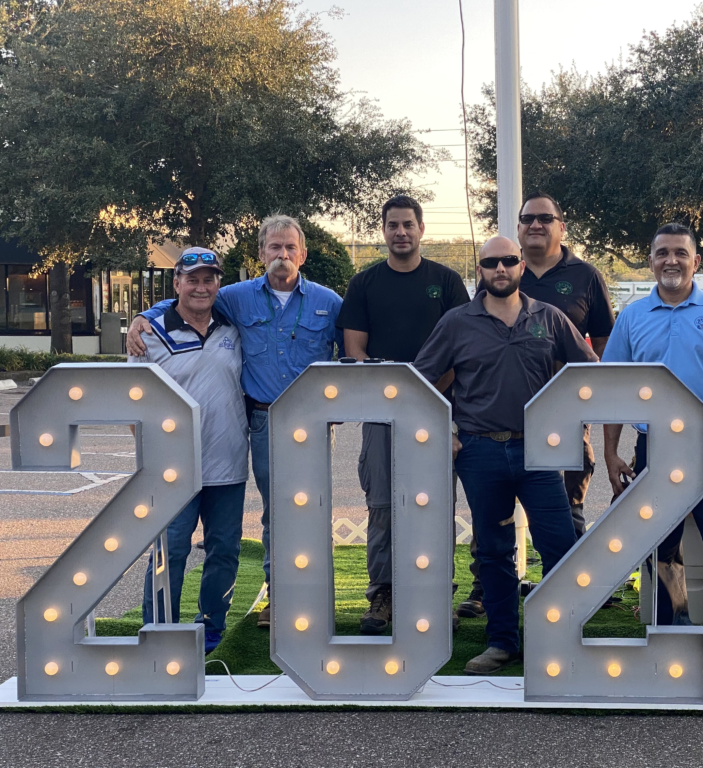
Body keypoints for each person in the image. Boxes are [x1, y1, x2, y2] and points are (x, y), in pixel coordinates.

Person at [126, 215, 343, 629]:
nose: (282, 255)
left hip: (307, 429)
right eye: (274, 247)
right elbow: (185, 302)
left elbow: (351, 353)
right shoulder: (235, 299)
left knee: (304, 514)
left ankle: (297, 603)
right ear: (260, 254)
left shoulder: (328, 302)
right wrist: (142, 316)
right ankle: (162, 631)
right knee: (181, 543)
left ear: (303, 253)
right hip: (256, 425)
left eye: (290, 248)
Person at [414, 235, 599, 675]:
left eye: (509, 261)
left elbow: (590, 370)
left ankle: (561, 639)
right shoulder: (458, 322)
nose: (501, 269)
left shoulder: (549, 318)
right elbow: (418, 381)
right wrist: (447, 428)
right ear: (479, 269)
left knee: (559, 546)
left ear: (520, 266)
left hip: (539, 453)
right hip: (479, 451)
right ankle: (502, 642)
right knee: (494, 552)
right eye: (491, 262)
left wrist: (568, 419)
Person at [602, 222, 703, 681]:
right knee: (662, 548)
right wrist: (611, 452)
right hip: (655, 446)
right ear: (650, 260)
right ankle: (670, 635)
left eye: (680, 253)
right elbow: (615, 387)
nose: (670, 260)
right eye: (661, 253)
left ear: (697, 261)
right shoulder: (633, 317)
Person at [338, 195, 470, 635]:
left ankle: (436, 594)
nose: (400, 232)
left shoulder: (447, 282)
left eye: (408, 225)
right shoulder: (365, 284)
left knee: (434, 506)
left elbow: (461, 349)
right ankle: (384, 596)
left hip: (436, 411)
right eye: (392, 225)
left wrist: (421, 395)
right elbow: (354, 350)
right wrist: (394, 398)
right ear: (384, 231)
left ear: (420, 229)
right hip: (379, 414)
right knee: (382, 507)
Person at [133, 248, 248, 655]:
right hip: (172, 467)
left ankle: (211, 630)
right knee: (170, 552)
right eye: (192, 279)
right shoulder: (148, 332)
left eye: (209, 279)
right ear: (177, 283)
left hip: (228, 462)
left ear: (219, 284)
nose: (201, 287)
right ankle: (161, 633)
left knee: (225, 550)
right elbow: (135, 403)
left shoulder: (234, 328)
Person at [517, 191, 615, 537]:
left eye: (545, 218)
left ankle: (570, 584)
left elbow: (604, 344)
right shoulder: (504, 272)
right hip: (507, 409)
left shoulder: (585, 275)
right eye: (528, 218)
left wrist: (590, 397)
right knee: (498, 505)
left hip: (569, 409)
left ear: (561, 227)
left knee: (568, 502)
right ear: (518, 228)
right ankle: (488, 587)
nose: (536, 225)